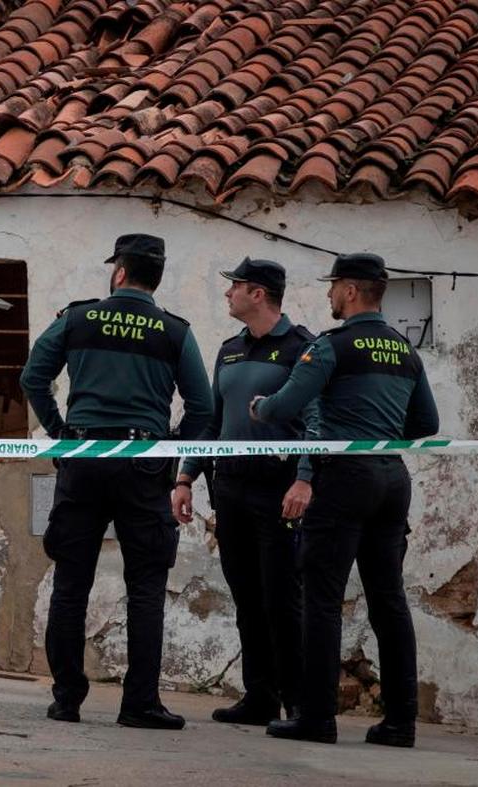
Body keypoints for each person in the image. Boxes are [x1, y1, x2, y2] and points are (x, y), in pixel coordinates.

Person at [20, 233, 213, 729]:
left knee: (71, 583)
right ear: (156, 276)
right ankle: (139, 704)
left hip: (82, 458)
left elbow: (32, 378)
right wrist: (169, 454)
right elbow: (203, 407)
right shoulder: (174, 331)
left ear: (120, 272)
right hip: (144, 464)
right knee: (146, 586)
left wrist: (61, 435)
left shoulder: (79, 317)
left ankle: (67, 699)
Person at [250, 252, 439, 747]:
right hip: (391, 479)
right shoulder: (404, 350)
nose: (330, 295)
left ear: (351, 290)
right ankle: (401, 723)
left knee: (322, 599)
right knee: (388, 600)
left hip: (341, 481)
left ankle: (316, 717)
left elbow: (285, 405)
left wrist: (260, 407)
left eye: (334, 286)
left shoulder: (333, 346)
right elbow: (427, 425)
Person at [172, 257, 317, 725]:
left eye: (234, 286)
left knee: (282, 596)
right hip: (230, 487)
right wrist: (185, 476)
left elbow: (317, 421)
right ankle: (260, 696)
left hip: (280, 488)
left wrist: (305, 476)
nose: (227, 294)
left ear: (258, 293)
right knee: (247, 595)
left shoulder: (303, 348)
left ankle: (297, 701)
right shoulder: (229, 350)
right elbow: (213, 422)